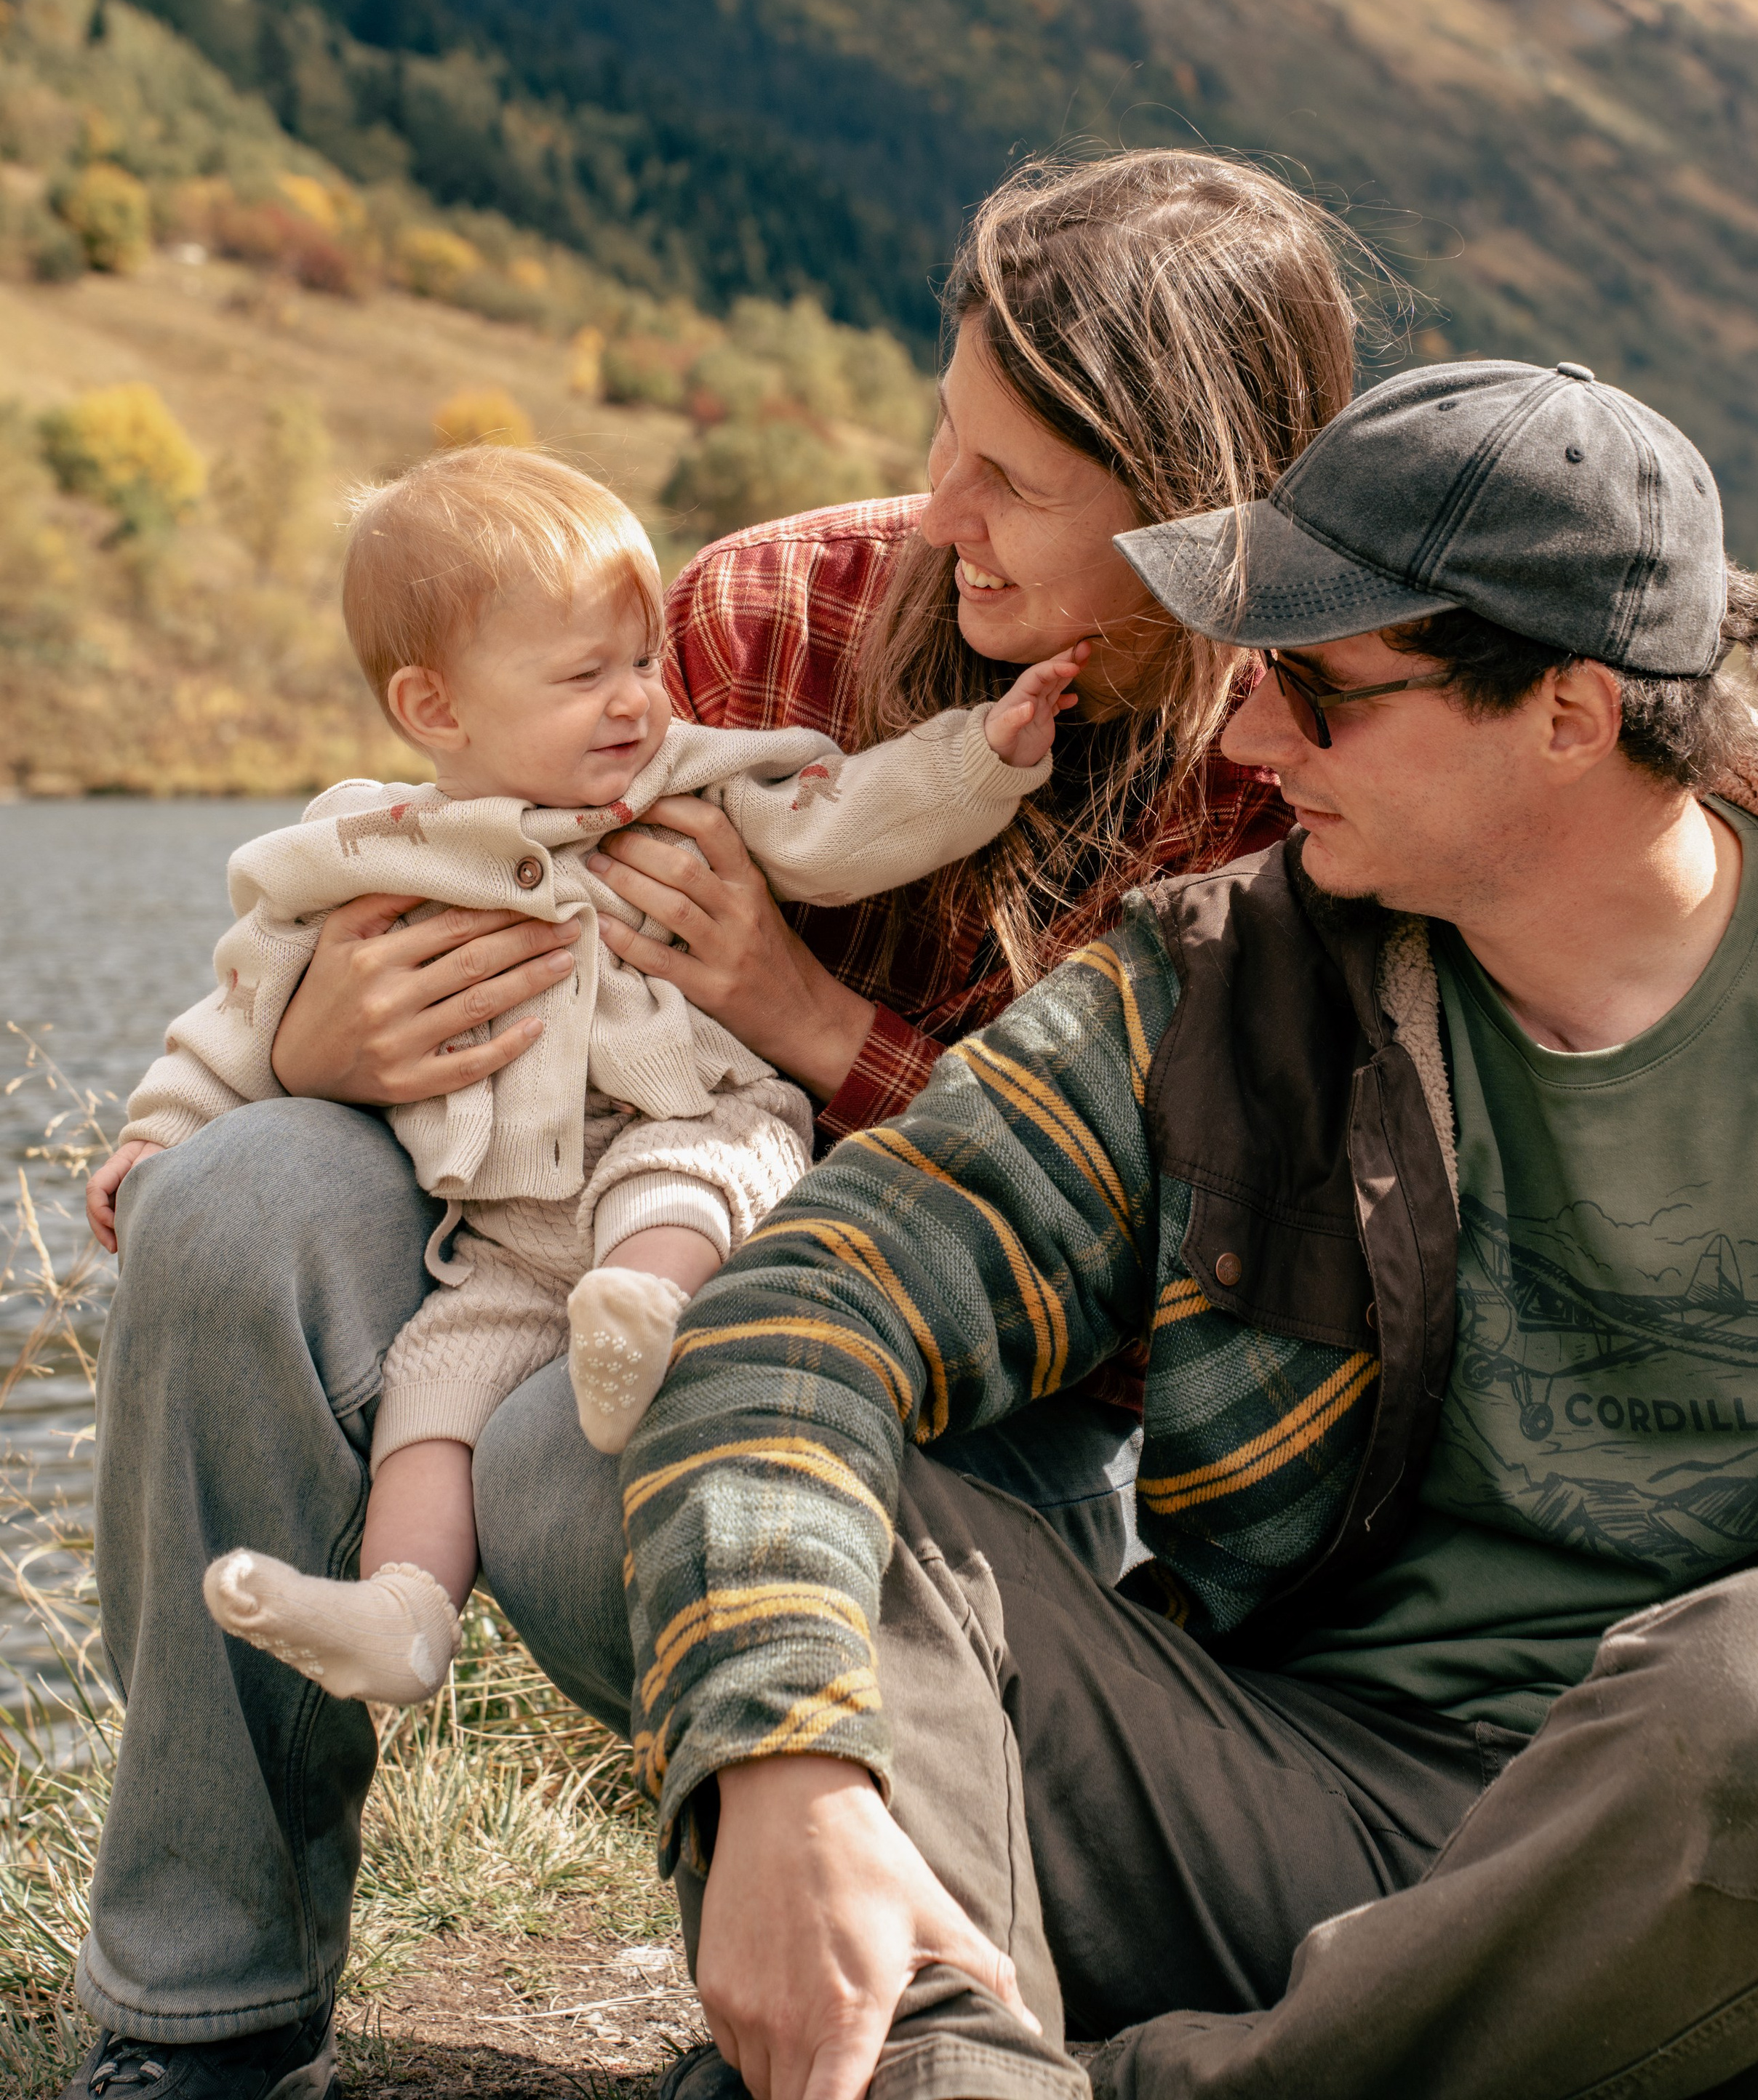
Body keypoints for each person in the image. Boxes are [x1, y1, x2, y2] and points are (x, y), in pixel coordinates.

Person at [63, 148, 1357, 2100]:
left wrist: (810, 1022)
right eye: (948, 441)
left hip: (981, 1431)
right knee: (232, 1214)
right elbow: (477, 849)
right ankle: (204, 2021)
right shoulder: (766, 611)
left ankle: (832, 2015)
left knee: (590, 1449)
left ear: (1197, 519)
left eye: (1015, 486)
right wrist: (318, 1035)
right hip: (572, 1210)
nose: (942, 514)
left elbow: (1171, 1302)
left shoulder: (1298, 769)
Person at [615, 357, 1758, 2100]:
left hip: (1706, 1888)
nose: (1246, 735)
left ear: (1570, 714)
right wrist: (784, 1766)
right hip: (1274, 1803)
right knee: (855, 1519)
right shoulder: (1208, 988)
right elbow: (797, 1313)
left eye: (1316, 688)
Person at [86, 444, 1076, 1710]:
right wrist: (159, 1135)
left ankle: (645, 1311)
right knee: (434, 1403)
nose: (635, 703)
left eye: (644, 662)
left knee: (681, 1184)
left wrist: (984, 755)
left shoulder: (679, 785)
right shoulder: (371, 843)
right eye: (582, 676)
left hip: (690, 1117)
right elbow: (242, 1000)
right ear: (435, 711)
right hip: (500, 1235)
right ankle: (401, 1612)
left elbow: (844, 825)